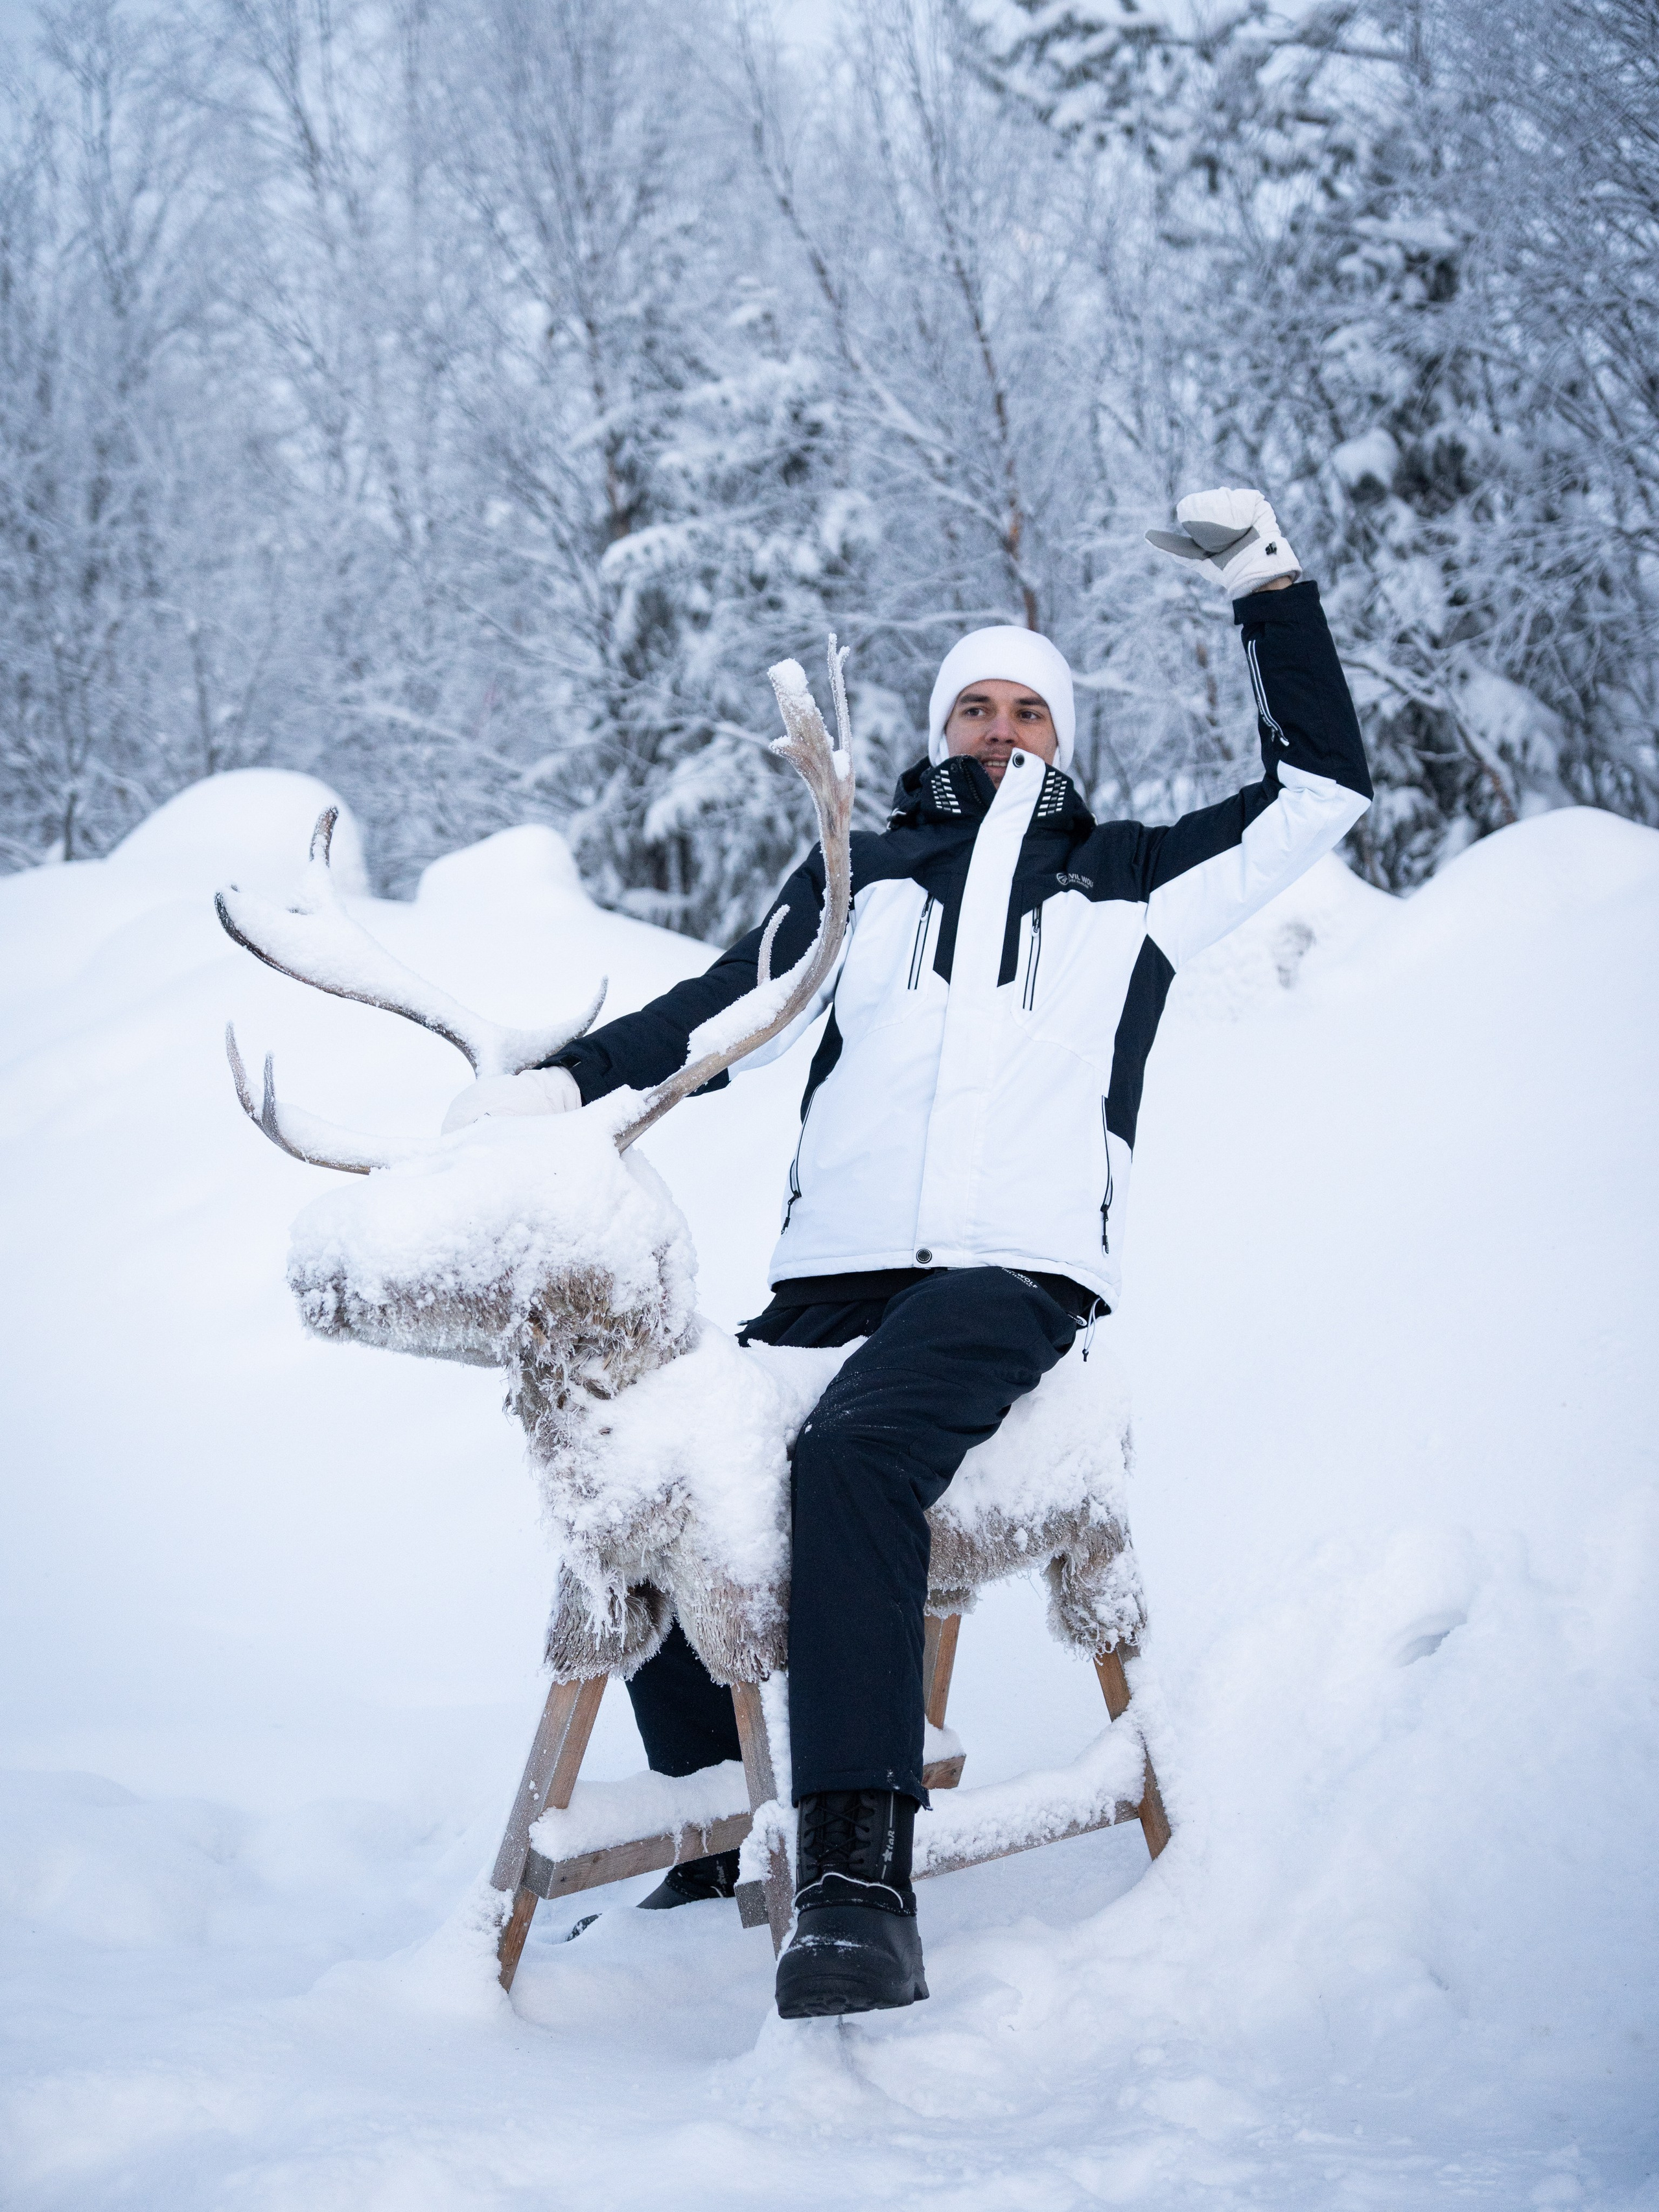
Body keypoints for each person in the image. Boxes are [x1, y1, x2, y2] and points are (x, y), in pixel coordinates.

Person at [446, 488, 1373, 2018]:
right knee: (647, 1460)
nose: (1001, 730)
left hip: (1009, 1279)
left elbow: (1320, 794)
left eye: (1028, 711)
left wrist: (1265, 590)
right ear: (938, 732)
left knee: (855, 1466)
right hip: (832, 1277)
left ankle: (859, 1888)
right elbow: (721, 1014)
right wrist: (556, 1086)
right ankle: (702, 1811)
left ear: (1061, 739)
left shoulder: (1134, 884)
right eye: (974, 708)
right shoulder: (859, 873)